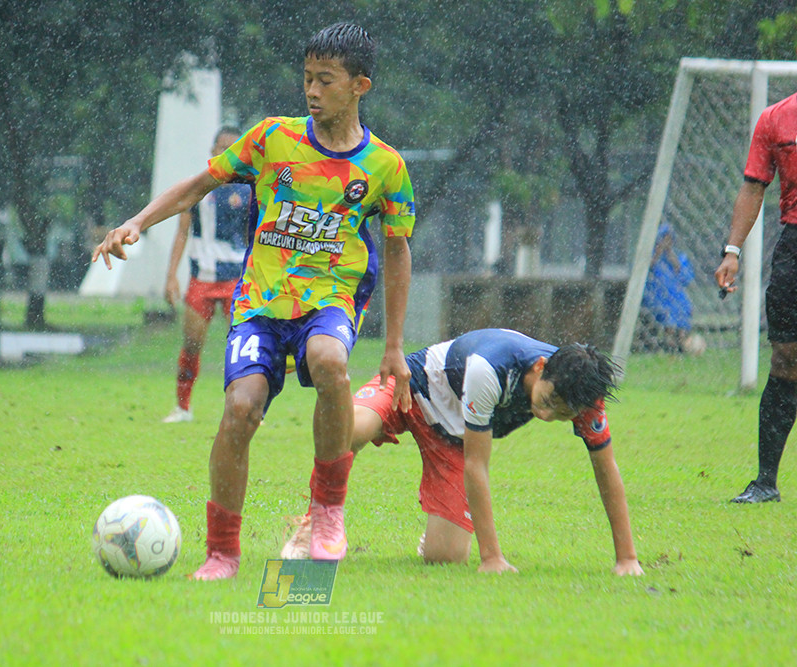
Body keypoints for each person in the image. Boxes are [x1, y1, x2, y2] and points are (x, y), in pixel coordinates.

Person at [92, 23, 416, 580]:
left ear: (360, 85)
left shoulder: (385, 167)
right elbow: (197, 186)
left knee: (330, 360)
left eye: (326, 81)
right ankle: (222, 553)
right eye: (307, 78)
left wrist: (394, 347)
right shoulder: (271, 139)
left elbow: (398, 249)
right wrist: (135, 223)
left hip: (330, 303)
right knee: (240, 409)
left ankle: (328, 510)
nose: (312, 91)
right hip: (260, 305)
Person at [281, 328, 644, 576]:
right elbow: (477, 465)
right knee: (346, 431)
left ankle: (440, 532)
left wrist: (627, 559)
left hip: (453, 436)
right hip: (414, 384)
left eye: (562, 414)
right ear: (539, 368)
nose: (547, 415)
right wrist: (492, 558)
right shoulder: (491, 368)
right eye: (548, 401)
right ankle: (316, 520)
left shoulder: (585, 398)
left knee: (446, 558)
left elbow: (605, 469)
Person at [716, 87, 797, 504]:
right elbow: (753, 187)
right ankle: (766, 481)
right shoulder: (775, 119)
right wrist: (732, 251)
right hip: (794, 247)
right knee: (786, 359)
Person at [161, 127, 251, 423]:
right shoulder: (200, 186)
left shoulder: (250, 188)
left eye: (231, 148)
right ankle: (183, 407)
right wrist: (171, 275)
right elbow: (182, 231)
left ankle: (251, 408)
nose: (224, 152)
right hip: (202, 277)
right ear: (212, 149)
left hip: (237, 278)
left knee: (245, 345)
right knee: (191, 342)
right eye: (220, 147)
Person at [641, 224, 694, 354]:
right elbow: (645, 273)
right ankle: (669, 342)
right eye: (663, 239)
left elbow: (686, 278)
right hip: (657, 295)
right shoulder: (652, 257)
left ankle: (681, 341)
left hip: (676, 295)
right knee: (667, 311)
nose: (666, 242)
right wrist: (657, 254)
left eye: (669, 239)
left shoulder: (679, 257)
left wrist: (672, 258)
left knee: (683, 306)